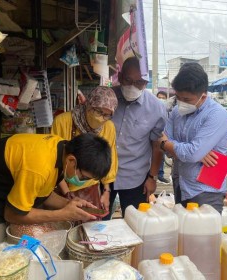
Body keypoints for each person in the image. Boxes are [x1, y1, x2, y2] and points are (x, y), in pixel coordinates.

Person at [0, 133, 111, 247]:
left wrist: (69, 204)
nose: (83, 182)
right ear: (71, 161)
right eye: (84, 177)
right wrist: (63, 214)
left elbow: (43, 194)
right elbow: (12, 215)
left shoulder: (61, 148)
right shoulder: (39, 167)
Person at [158, 62, 227, 213]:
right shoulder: (176, 112)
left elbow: (189, 152)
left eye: (186, 99)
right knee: (184, 232)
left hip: (206, 189)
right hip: (181, 182)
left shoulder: (217, 114)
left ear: (203, 95)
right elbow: (166, 145)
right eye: (178, 97)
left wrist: (167, 143)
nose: (181, 102)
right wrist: (194, 151)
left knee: (204, 234)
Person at [109, 56, 167, 216]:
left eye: (139, 82)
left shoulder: (156, 108)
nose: (133, 86)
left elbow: (157, 146)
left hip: (136, 178)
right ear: (120, 77)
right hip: (102, 175)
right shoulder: (107, 98)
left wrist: (152, 177)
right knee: (97, 224)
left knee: (136, 224)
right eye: (128, 80)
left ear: (146, 83)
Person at [51, 86, 118, 212]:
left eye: (107, 115)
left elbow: (109, 161)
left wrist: (106, 191)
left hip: (90, 190)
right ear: (89, 104)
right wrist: (67, 195)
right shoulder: (63, 121)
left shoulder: (109, 127)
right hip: (61, 186)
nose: (101, 118)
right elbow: (54, 160)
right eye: (98, 111)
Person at [156, 90, 171, 185]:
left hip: (165, 138)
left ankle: (160, 175)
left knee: (161, 156)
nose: (161, 99)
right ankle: (153, 175)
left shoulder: (169, 110)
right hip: (155, 137)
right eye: (159, 97)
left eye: (163, 98)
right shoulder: (153, 108)